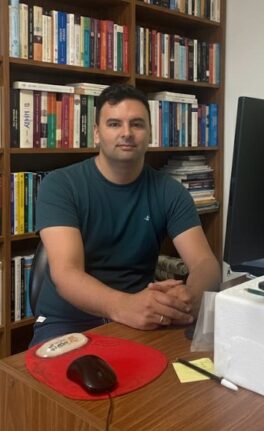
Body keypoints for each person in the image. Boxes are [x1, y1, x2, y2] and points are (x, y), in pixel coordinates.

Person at [30, 83, 221, 346]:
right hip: (68, 322)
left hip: (142, 319)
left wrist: (189, 298)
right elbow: (66, 274)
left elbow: (205, 263)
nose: (127, 133)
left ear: (150, 133)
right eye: (114, 124)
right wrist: (125, 306)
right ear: (96, 133)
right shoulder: (61, 185)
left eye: (137, 124)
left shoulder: (169, 191)